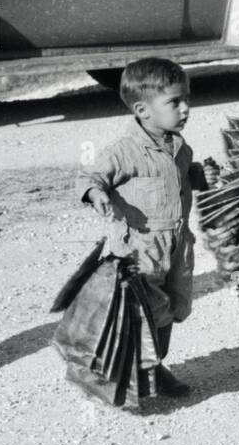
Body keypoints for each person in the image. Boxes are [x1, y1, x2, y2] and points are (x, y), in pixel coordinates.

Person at [73, 58, 218, 399]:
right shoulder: (124, 152)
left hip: (177, 245)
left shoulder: (179, 146)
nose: (185, 108)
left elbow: (184, 176)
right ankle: (135, 374)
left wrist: (201, 176)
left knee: (175, 307)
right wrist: (96, 194)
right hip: (139, 248)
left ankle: (154, 366)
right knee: (147, 313)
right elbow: (90, 176)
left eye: (187, 99)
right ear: (143, 110)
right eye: (175, 102)